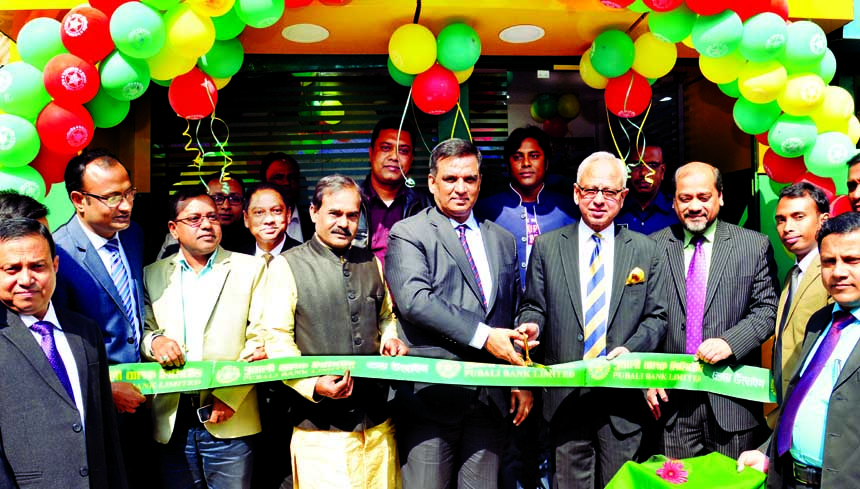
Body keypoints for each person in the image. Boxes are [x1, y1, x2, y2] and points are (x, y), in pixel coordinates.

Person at [385, 138, 533, 489]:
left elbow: (511, 310)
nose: (461, 188)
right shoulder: (408, 233)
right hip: (431, 397)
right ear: (432, 182)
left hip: (490, 399)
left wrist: (520, 376)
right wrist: (484, 336)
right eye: (451, 179)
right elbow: (415, 300)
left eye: (470, 179)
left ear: (480, 182)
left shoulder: (502, 239)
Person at [517, 151, 668, 488]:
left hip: (623, 401)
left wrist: (632, 348)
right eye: (590, 190)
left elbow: (657, 316)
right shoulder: (547, 247)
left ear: (623, 196)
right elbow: (533, 306)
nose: (599, 200)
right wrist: (531, 325)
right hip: (567, 400)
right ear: (576, 193)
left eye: (610, 192)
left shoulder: (645, 250)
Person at [266, 175, 409, 488]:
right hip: (318, 432)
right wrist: (313, 384)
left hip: (377, 426)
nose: (345, 223)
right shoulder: (287, 265)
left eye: (352, 215)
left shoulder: (371, 261)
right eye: (334, 213)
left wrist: (391, 339)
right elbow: (276, 340)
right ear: (314, 211)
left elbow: (386, 316)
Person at [141, 187, 275, 489]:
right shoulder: (153, 273)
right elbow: (143, 330)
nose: (206, 224)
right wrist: (155, 343)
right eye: (195, 218)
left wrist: (230, 396)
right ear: (173, 229)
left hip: (229, 415)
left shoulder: (251, 269)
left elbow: (260, 338)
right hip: (172, 419)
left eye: (212, 217)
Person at [647, 161, 779, 459]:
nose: (694, 206)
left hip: (732, 402)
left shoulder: (753, 245)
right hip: (673, 406)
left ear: (720, 196)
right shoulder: (652, 248)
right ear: (673, 201)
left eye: (704, 197)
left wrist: (730, 342)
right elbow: (642, 316)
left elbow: (768, 309)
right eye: (685, 198)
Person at [0, 218, 126, 488]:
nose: (26, 279)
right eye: (12, 269)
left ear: (55, 266)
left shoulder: (84, 332)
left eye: (37, 266)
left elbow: (105, 428)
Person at [737, 211, 860, 488]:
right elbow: (802, 400)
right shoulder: (820, 321)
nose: (838, 272)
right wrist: (767, 452)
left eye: (852, 260)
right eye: (829, 262)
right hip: (792, 478)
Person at [51, 149, 148, 487]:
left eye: (129, 192)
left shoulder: (133, 234)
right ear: (79, 199)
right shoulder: (59, 254)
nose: (125, 205)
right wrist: (104, 388)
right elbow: (54, 342)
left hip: (144, 401)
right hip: (96, 407)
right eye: (112, 197)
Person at [764, 183, 832, 428]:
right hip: (787, 410)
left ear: (822, 221)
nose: (788, 227)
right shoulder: (792, 274)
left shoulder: (832, 273)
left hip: (818, 411)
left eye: (798, 217)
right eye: (781, 220)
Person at [475, 125, 578, 286]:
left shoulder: (569, 209)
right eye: (517, 157)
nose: (526, 163)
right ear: (508, 165)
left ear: (546, 163)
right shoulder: (486, 210)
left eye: (534, 156)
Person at [356, 117, 433, 265]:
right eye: (386, 148)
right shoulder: (352, 202)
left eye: (403, 151)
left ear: (411, 160)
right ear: (371, 153)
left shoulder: (426, 206)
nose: (394, 157)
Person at [616, 144, 679, 234]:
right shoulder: (614, 209)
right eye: (636, 165)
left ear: (662, 171)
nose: (643, 173)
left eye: (652, 165)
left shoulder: (677, 211)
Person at [260, 152, 313, 242]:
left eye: (291, 177)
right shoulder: (250, 226)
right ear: (264, 183)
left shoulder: (314, 224)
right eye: (278, 177)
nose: (286, 183)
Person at [238, 182, 301, 257]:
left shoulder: (305, 257)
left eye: (276, 211)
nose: (269, 220)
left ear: (288, 215)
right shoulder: (236, 258)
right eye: (259, 212)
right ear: (246, 218)